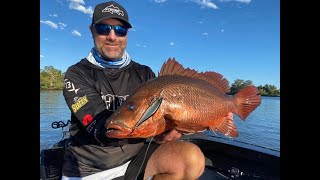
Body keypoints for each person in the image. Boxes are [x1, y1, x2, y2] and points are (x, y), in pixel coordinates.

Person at [61, 1, 206, 179]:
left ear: (127, 34)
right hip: (88, 170)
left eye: (120, 30)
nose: (112, 37)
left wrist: (167, 131)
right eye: (103, 29)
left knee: (191, 159)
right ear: (92, 30)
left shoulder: (144, 73)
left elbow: (155, 126)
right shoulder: (77, 74)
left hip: (135, 159)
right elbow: (101, 129)